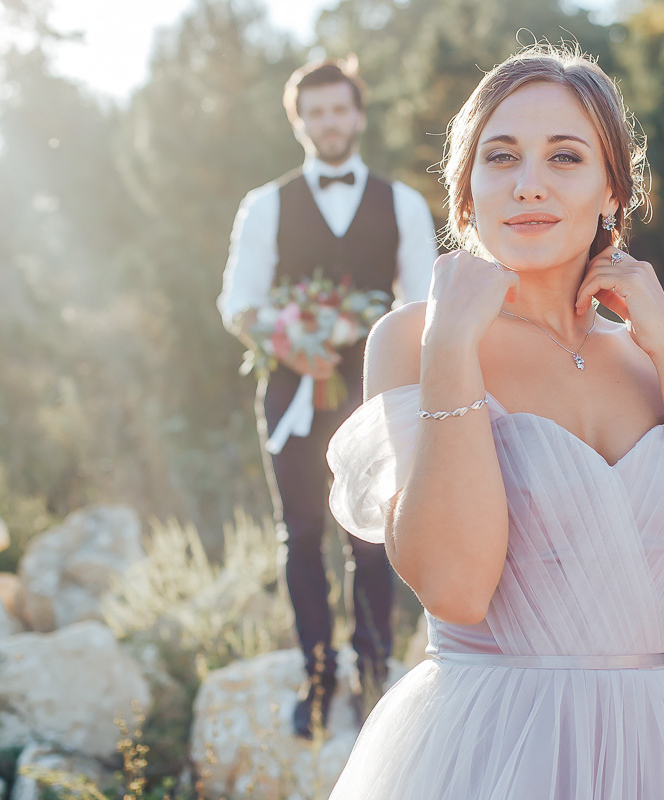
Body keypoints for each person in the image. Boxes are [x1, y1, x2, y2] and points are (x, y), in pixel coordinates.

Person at [325, 45, 664, 798]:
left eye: (565, 157)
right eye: (500, 157)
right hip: (489, 752)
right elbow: (455, 586)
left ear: (612, 191)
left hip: (662, 756)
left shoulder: (653, 359)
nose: (528, 184)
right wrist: (452, 348)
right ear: (466, 193)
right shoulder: (416, 340)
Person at [217, 58, 437, 740]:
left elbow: (424, 306)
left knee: (371, 536)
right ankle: (316, 677)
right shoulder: (265, 204)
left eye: (339, 109)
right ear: (298, 123)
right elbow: (238, 303)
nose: (329, 122)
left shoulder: (401, 203)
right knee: (302, 533)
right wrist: (293, 341)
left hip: (374, 392)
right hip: (291, 390)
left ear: (358, 115)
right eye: (315, 112)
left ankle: (373, 675)